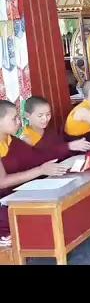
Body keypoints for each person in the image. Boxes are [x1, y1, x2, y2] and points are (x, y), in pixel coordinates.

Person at [0, 100, 70, 247]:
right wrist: (41, 170)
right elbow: (2, 182)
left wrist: (63, 160)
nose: (19, 122)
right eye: (14, 119)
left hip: (13, 194)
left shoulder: (10, 140)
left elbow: (36, 157)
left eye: (18, 117)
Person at [21, 96, 90, 161]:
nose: (45, 119)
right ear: (27, 115)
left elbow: (60, 148)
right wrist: (68, 146)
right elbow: (37, 159)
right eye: (40, 116)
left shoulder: (49, 130)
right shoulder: (27, 139)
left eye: (48, 114)